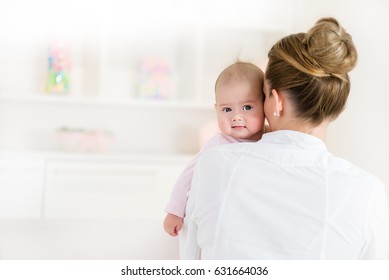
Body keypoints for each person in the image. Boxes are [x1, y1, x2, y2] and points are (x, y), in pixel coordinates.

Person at [180, 17, 389, 259]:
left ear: (277, 102)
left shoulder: (213, 164)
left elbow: (190, 261)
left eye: (263, 95)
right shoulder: (367, 191)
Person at [163, 61, 266, 237]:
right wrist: (175, 211)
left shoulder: (272, 140)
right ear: (216, 109)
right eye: (227, 109)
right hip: (226, 218)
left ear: (265, 105)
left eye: (247, 107)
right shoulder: (217, 145)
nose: (236, 117)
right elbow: (188, 176)